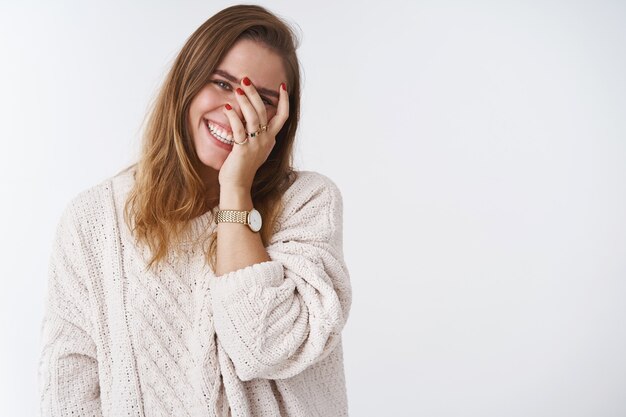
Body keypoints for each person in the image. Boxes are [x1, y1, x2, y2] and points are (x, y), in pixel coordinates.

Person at [38, 5, 352, 416]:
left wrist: (235, 190)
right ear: (187, 82)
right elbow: (69, 391)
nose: (238, 112)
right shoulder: (94, 220)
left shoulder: (307, 203)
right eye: (223, 84)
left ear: (281, 118)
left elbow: (265, 349)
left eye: (263, 99)